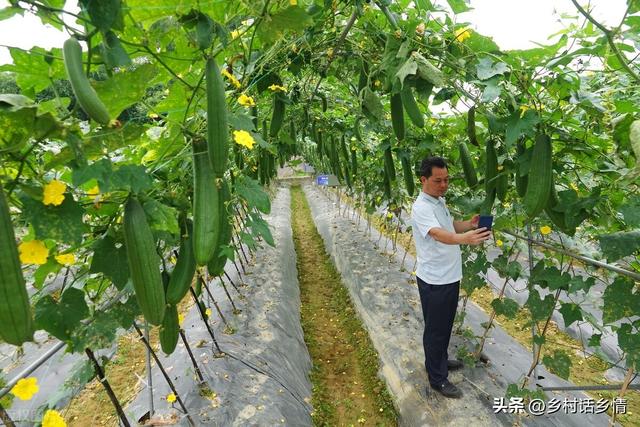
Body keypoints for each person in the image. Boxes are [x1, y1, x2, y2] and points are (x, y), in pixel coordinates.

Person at [410, 156, 491, 398]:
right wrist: (464, 239)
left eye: (446, 180)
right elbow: (437, 234)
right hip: (435, 280)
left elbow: (448, 226)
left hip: (448, 277)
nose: (444, 185)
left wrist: (468, 224)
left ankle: (440, 362)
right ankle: (437, 378)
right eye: (438, 180)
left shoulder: (438, 201)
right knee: (435, 330)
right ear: (423, 180)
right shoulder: (421, 207)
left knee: (444, 327)